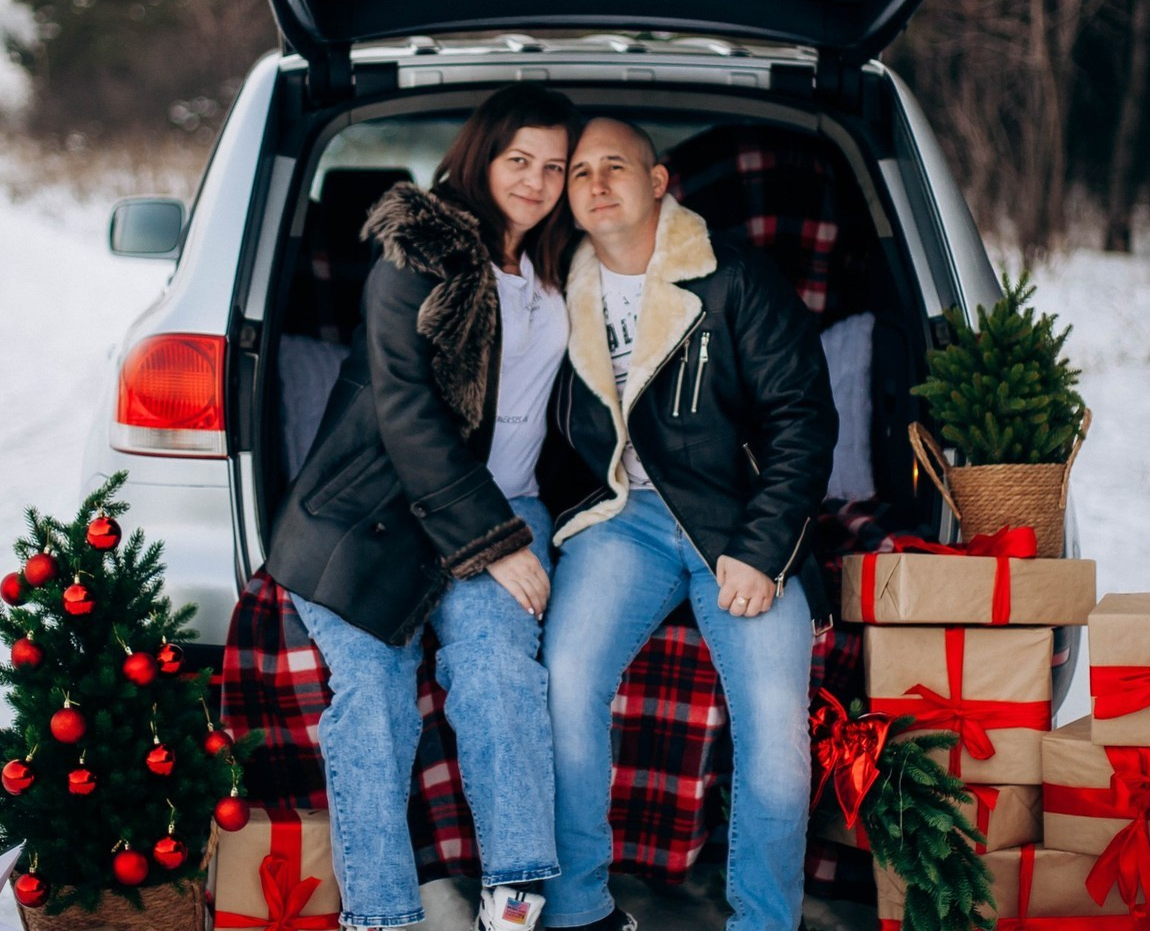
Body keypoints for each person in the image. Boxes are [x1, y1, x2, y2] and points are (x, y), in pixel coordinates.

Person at [265, 84, 584, 931]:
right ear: (481, 155)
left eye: (554, 165)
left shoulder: (565, 260)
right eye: (519, 159)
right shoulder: (423, 257)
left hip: (506, 506)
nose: (536, 180)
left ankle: (514, 900)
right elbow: (409, 415)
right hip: (373, 514)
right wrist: (495, 542)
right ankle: (381, 917)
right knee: (370, 693)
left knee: (497, 675)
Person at [539, 118, 839, 931]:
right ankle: (577, 911)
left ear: (660, 180)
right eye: (580, 174)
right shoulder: (553, 291)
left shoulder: (732, 278)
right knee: (565, 681)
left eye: (617, 167)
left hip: (735, 524)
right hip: (620, 519)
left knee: (775, 720)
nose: (596, 184)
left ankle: (763, 922)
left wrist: (763, 549)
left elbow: (802, 419)